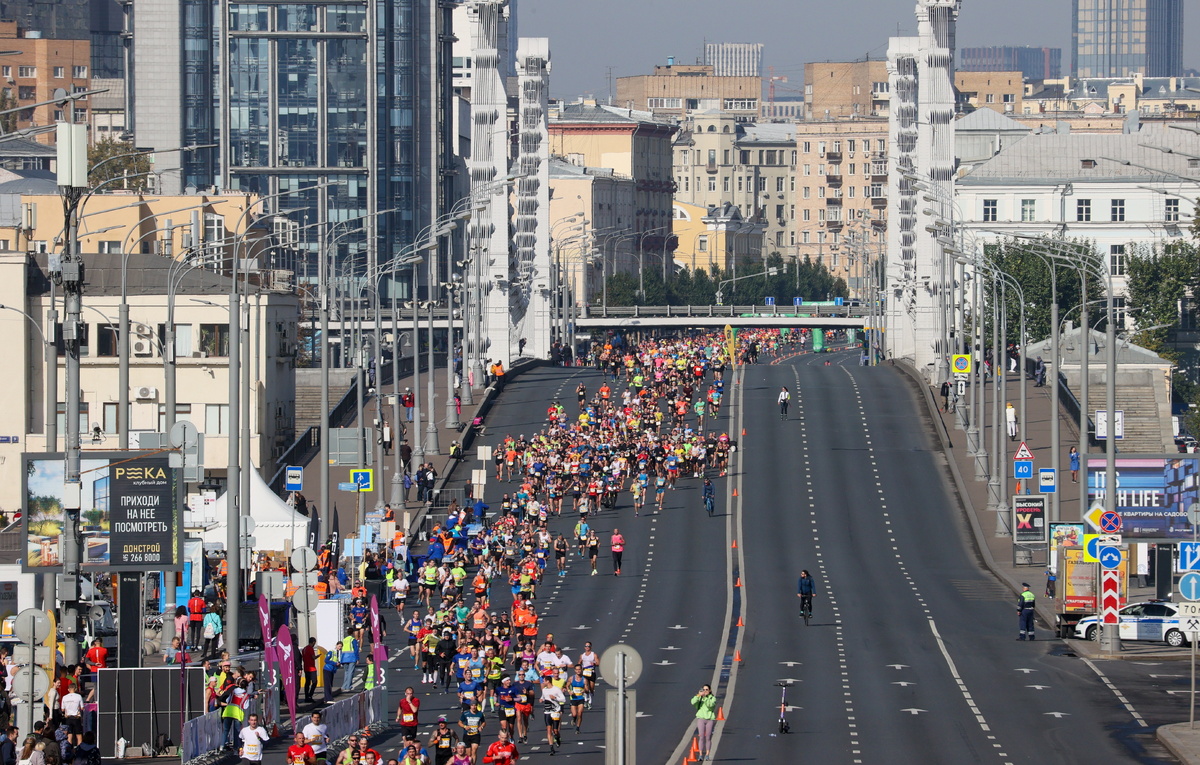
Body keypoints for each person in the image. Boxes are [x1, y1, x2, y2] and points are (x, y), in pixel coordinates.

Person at [690, 685, 717, 760]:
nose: (705, 691)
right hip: (701, 719)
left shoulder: (712, 698)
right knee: (701, 737)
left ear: (710, 690)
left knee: (708, 738)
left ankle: (707, 754)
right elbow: (692, 702)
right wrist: (698, 695)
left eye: (706, 689)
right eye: (703, 689)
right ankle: (701, 755)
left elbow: (710, 705)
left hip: (709, 719)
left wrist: (705, 698)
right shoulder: (700, 698)